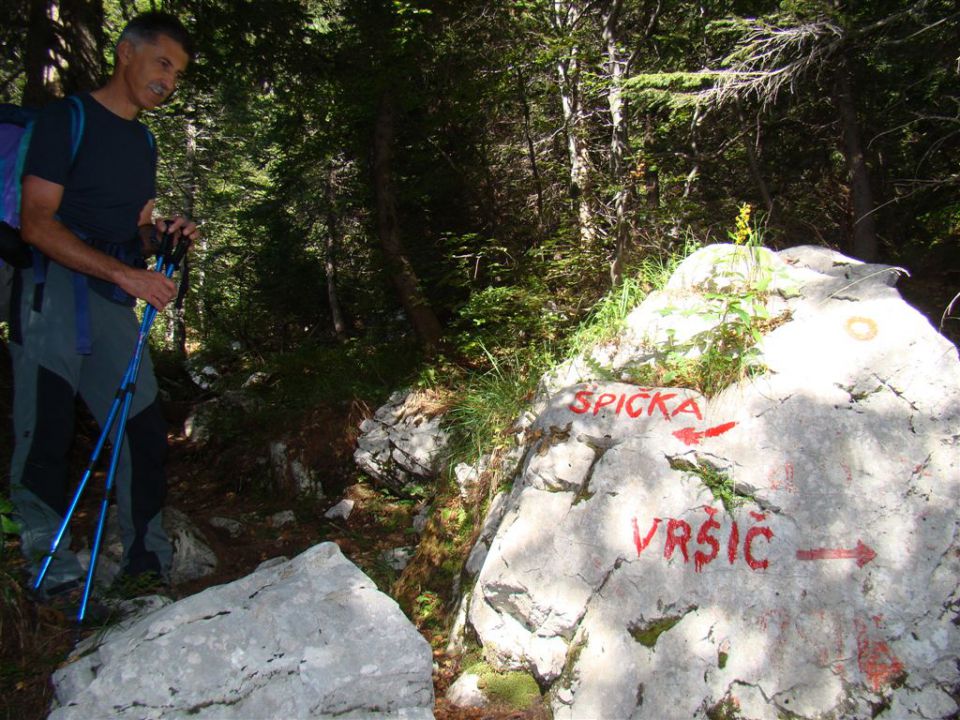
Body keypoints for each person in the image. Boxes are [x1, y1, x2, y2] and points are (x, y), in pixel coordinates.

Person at [9, 11, 199, 605]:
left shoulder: (143, 140)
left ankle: (144, 563)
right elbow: (38, 223)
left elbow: (130, 227)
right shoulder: (65, 121)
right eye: (163, 63)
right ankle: (51, 570)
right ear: (126, 53)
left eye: (179, 72)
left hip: (111, 300)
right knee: (46, 430)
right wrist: (126, 273)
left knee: (142, 431)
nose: (169, 79)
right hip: (51, 295)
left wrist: (158, 238)